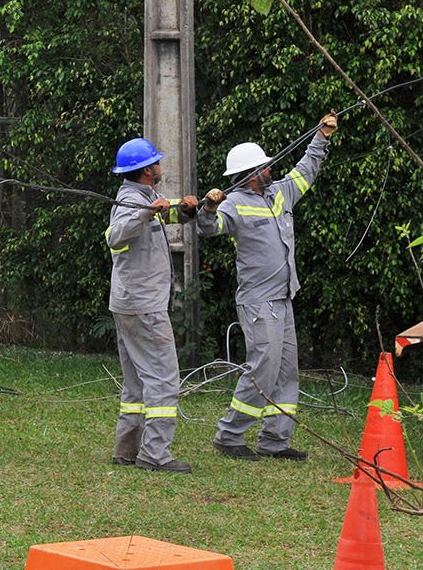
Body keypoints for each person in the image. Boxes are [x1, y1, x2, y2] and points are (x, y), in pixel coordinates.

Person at [197, 113, 338, 461]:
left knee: (287, 372)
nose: (271, 169)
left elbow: (306, 170)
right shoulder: (232, 204)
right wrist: (207, 207)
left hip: (283, 298)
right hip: (259, 303)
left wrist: (322, 137)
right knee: (263, 367)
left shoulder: (280, 195)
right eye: (264, 166)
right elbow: (208, 229)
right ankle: (229, 436)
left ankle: (276, 441)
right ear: (250, 174)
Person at [105, 137, 198, 473]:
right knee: (162, 378)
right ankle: (155, 454)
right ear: (147, 170)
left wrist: (186, 210)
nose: (161, 166)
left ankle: (127, 449)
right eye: (157, 162)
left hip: (131, 302)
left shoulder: (142, 198)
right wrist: (147, 213)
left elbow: (161, 214)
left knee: (136, 380)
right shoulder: (133, 202)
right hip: (143, 306)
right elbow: (117, 235)